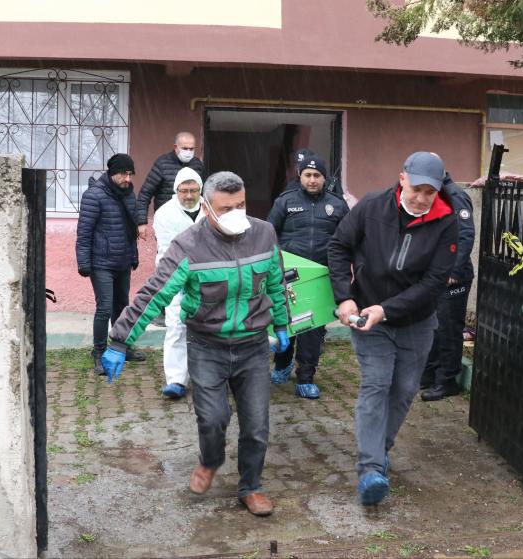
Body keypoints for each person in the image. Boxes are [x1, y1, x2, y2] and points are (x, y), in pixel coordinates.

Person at [101, 171, 290, 516]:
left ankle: (251, 486)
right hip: (207, 346)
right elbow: (154, 294)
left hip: (252, 346)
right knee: (213, 417)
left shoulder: (263, 234)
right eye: (225, 207)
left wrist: (283, 324)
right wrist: (120, 339)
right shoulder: (189, 245)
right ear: (206, 206)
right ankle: (211, 460)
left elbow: (276, 283)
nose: (235, 213)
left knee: (257, 424)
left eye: (241, 205)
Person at [327, 151, 458, 506]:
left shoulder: (447, 221)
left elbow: (433, 283)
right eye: (416, 188)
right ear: (402, 178)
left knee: (402, 390)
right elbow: (338, 247)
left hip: (415, 320)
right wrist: (344, 297)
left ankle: (379, 448)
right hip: (368, 313)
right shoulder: (371, 206)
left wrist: (386, 310)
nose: (421, 197)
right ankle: (370, 469)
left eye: (429, 192)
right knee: (377, 383)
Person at [267, 155, 349, 398]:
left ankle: (306, 377)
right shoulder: (285, 201)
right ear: (300, 176)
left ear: (324, 178)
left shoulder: (338, 205)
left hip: (322, 277)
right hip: (289, 276)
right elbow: (269, 235)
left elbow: (347, 240)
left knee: (312, 328)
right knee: (286, 322)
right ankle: (282, 365)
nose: (312, 180)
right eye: (308, 175)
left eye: (317, 176)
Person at [75, 153, 146, 376]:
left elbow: (130, 230)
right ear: (112, 173)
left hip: (122, 259)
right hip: (101, 262)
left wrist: (133, 256)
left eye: (130, 174)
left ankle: (120, 347)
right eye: (123, 173)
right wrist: (84, 263)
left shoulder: (127, 194)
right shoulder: (93, 196)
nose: (127, 178)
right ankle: (99, 351)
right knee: (104, 307)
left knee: (121, 307)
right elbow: (84, 233)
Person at [420, 171, 475, 401]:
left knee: (449, 329)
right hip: (435, 274)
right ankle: (430, 376)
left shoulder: (455, 195)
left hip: (453, 276)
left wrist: (454, 270)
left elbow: (465, 234)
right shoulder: (435, 195)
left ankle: (447, 381)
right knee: (433, 326)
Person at [152, 167, 205, 400]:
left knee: (210, 326)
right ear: (176, 190)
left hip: (208, 277)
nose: (189, 195)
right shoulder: (165, 213)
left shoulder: (210, 208)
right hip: (176, 278)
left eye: (194, 190)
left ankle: (209, 375)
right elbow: (167, 252)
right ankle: (175, 379)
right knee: (176, 325)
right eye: (184, 190)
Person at [136, 131, 205, 240]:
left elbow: (204, 195)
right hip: (167, 223)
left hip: (192, 222)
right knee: (169, 254)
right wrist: (141, 222)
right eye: (185, 148)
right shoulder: (162, 163)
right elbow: (145, 194)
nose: (188, 152)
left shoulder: (197, 165)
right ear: (175, 147)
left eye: (191, 149)